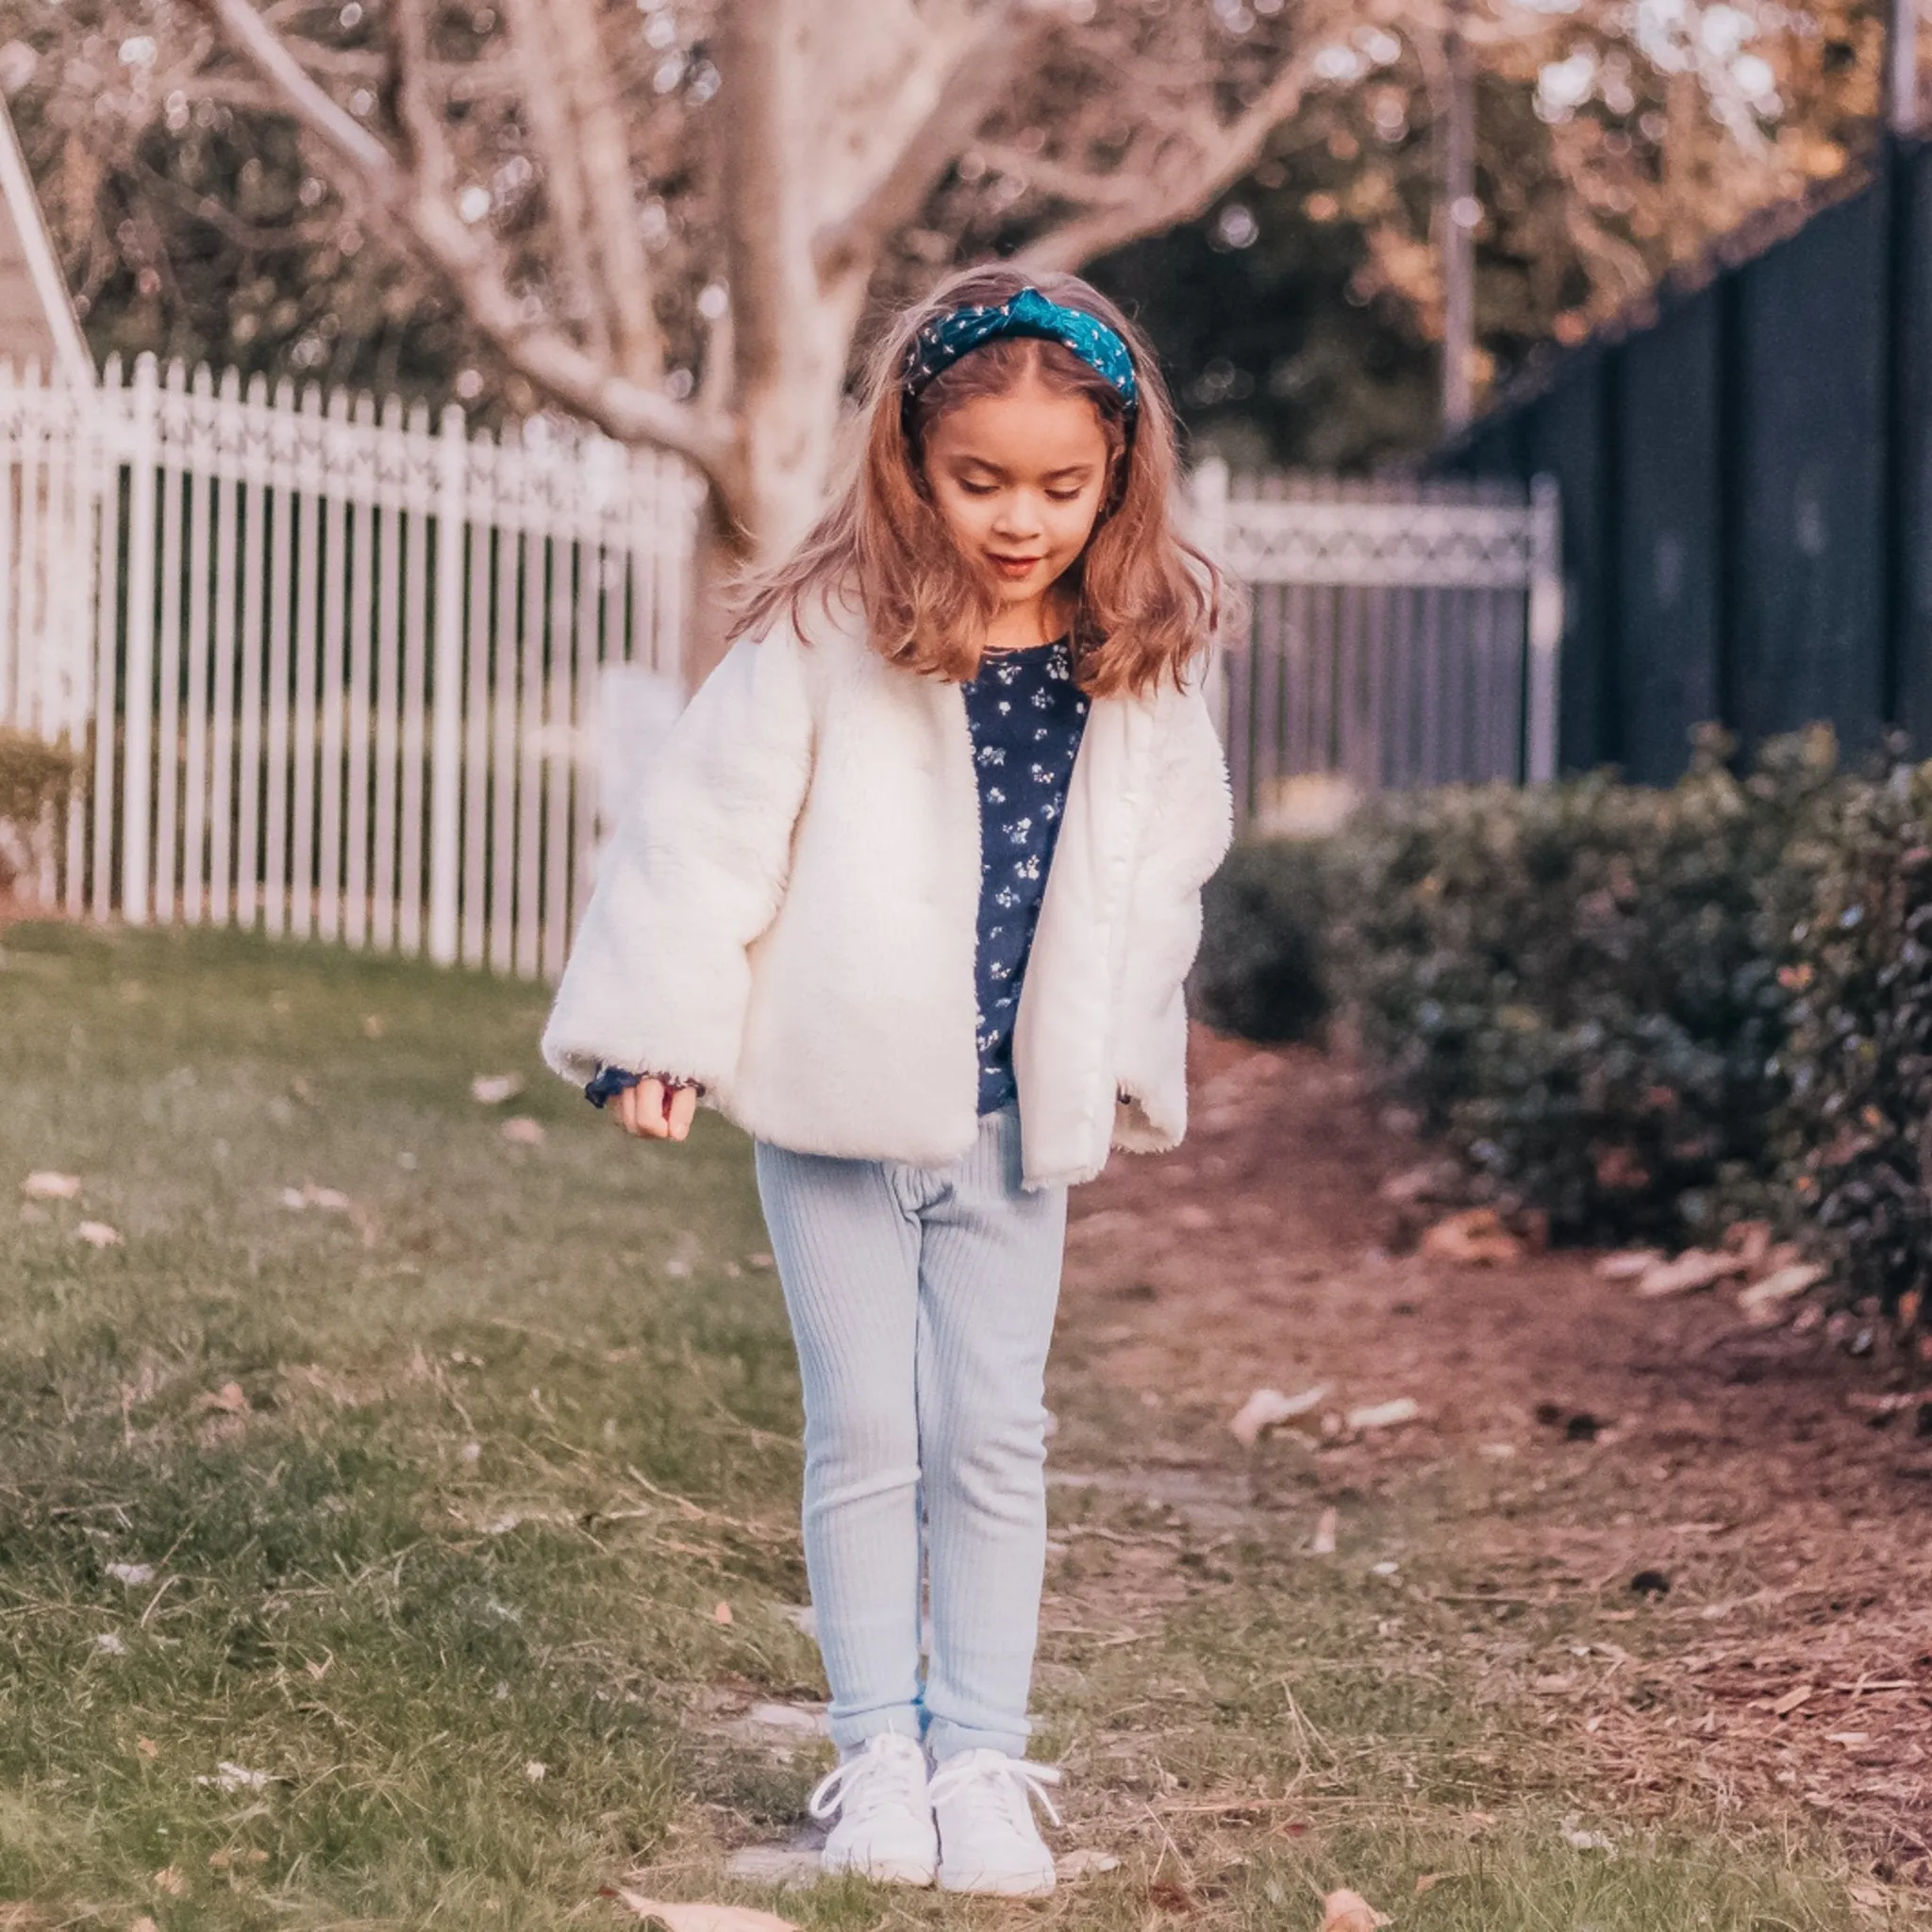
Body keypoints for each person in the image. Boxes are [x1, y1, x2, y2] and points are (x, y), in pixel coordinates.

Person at [541, 264, 1233, 1897]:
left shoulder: (1141, 651)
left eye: (1062, 487)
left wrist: (1128, 1051)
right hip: (840, 1107)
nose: (1019, 520)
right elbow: (708, 834)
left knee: (994, 1431)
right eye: (978, 480)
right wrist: (659, 1029)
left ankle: (983, 1753)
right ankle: (879, 1756)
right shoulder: (821, 634)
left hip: (1015, 1123)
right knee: (865, 1426)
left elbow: (1164, 866)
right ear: (908, 461)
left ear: (1120, 473)